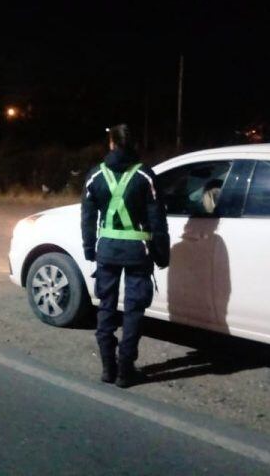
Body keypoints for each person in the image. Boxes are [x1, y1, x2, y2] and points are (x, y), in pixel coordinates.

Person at [81, 124, 170, 388]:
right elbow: (158, 221)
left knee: (106, 307)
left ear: (111, 144)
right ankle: (125, 370)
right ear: (133, 144)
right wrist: (162, 255)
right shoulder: (145, 176)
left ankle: (108, 368)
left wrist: (89, 250)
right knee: (133, 310)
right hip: (137, 255)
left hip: (106, 252)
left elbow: (87, 218)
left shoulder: (95, 175)